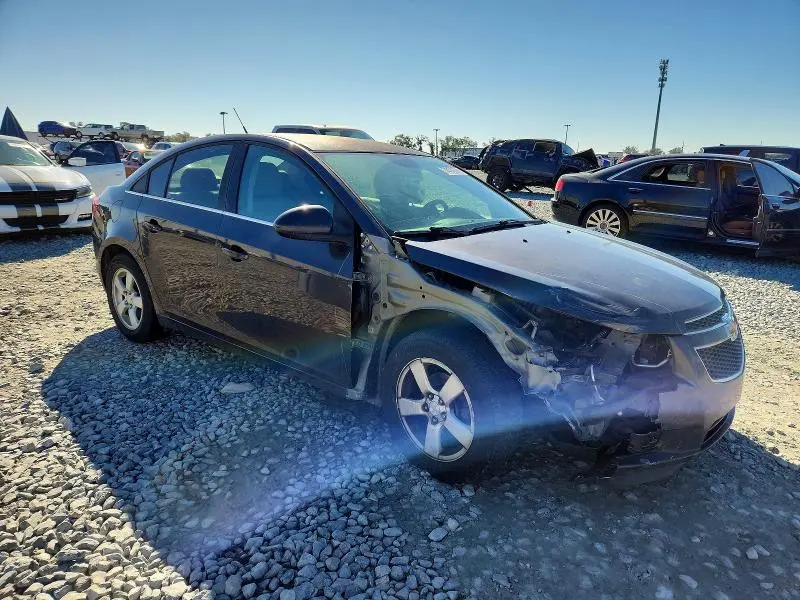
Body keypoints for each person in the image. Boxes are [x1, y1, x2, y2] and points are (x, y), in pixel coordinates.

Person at [716, 165, 753, 237]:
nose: (736, 174)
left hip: (727, 214)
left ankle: (751, 231)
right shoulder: (722, 187)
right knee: (723, 228)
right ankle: (750, 232)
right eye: (734, 172)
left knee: (723, 228)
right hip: (726, 216)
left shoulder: (726, 185)